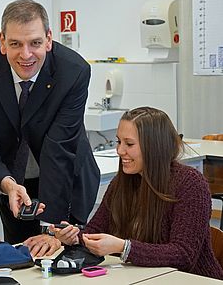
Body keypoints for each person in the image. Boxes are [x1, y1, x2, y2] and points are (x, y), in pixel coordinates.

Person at [0, 0, 100, 253]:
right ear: (2, 41)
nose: (26, 55)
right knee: (21, 257)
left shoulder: (73, 71)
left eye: (35, 43)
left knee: (65, 258)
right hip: (12, 184)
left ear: (49, 39)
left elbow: (59, 148)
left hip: (66, 181)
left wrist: (50, 227)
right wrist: (8, 184)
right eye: (15, 44)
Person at [51, 107, 223, 280]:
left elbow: (183, 255)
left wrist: (124, 248)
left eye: (129, 144)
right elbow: (95, 231)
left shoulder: (191, 184)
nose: (120, 150)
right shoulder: (122, 182)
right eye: (118, 142)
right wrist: (74, 237)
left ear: (154, 146)